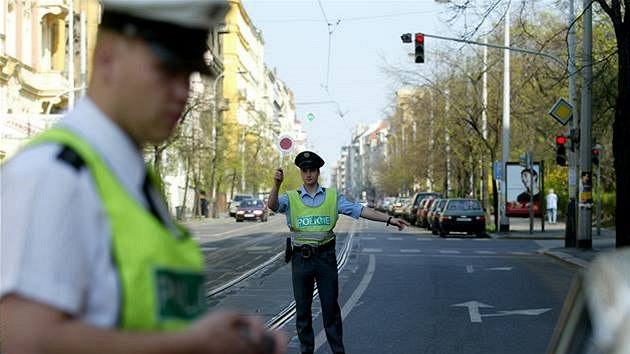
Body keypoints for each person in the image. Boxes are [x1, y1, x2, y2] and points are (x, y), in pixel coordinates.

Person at [0, 2, 285, 354]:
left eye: (188, 75)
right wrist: (193, 344)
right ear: (107, 58)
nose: (181, 92)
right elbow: (29, 342)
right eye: (166, 71)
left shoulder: (129, 176)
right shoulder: (54, 173)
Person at [268, 151, 409, 354]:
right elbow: (272, 205)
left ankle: (337, 351)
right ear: (301, 173)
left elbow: (359, 210)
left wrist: (389, 219)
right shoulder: (291, 198)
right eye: (304, 170)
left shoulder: (332, 196)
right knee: (302, 312)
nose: (308, 174)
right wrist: (276, 185)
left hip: (325, 258)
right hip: (301, 259)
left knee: (331, 310)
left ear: (318, 172)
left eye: (312, 170)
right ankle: (306, 351)